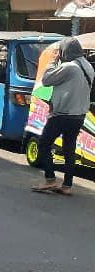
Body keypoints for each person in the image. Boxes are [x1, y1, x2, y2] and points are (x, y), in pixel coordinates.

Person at [32, 37, 94, 196]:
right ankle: (67, 185)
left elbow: (46, 80)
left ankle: (50, 179)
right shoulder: (88, 66)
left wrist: (53, 61)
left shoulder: (69, 67)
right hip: (79, 116)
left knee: (44, 143)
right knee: (69, 149)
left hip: (62, 114)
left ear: (65, 51)